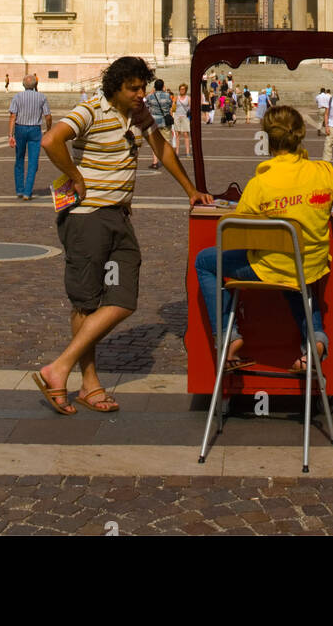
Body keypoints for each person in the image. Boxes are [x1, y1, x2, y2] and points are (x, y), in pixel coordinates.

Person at [34, 56, 211, 415]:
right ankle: (88, 382)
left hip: (118, 215)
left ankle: (59, 367)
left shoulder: (139, 114)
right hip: (86, 217)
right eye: (134, 88)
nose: (141, 93)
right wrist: (75, 175)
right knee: (86, 302)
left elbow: (161, 146)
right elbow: (52, 140)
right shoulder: (90, 110)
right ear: (115, 86)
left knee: (124, 298)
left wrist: (190, 191)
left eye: (143, 87)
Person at [194, 105, 333, 372]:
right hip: (311, 264)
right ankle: (315, 338)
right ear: (301, 134)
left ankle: (227, 335)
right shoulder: (325, 172)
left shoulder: (260, 184)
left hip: (271, 267)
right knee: (297, 277)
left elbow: (241, 233)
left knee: (205, 261)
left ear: (268, 137)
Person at [8, 75, 53, 199]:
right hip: (35, 129)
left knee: (19, 159)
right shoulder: (41, 97)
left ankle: (19, 190)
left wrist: (10, 135)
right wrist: (48, 129)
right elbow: (48, 116)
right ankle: (28, 192)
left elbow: (13, 116)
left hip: (20, 128)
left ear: (23, 85)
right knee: (33, 161)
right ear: (35, 85)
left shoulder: (17, 96)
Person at [144, 77, 174, 171]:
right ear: (163, 86)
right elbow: (170, 105)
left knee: (154, 143)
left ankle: (155, 162)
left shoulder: (150, 96)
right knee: (166, 142)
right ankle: (168, 161)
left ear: (154, 87)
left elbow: (146, 106)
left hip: (154, 122)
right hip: (165, 122)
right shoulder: (167, 95)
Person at [173, 83, 192, 159]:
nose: (182, 90)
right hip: (177, 117)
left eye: (183, 89)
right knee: (177, 135)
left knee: (186, 135)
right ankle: (177, 152)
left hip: (185, 117)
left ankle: (187, 152)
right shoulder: (176, 97)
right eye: (181, 89)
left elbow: (191, 108)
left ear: (186, 90)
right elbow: (173, 107)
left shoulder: (188, 98)